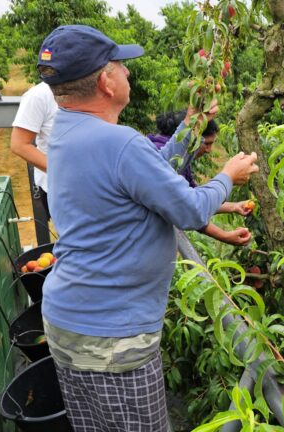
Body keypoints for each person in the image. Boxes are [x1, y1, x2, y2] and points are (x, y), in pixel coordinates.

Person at [36, 24, 259, 431]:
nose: (128, 74)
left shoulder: (68, 130)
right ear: (105, 81)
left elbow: (148, 171)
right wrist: (228, 175)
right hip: (112, 339)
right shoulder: (119, 144)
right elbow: (190, 209)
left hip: (68, 322)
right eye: (121, 66)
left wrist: (190, 126)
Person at [148, 114, 254, 232]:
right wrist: (228, 177)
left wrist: (234, 206)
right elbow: (188, 209)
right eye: (207, 143)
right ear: (192, 137)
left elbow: (194, 197)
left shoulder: (177, 157)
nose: (209, 150)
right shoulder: (167, 161)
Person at [10, 81, 58, 218]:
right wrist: (64, 173)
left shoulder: (94, 85)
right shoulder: (39, 95)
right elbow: (19, 145)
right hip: (59, 189)